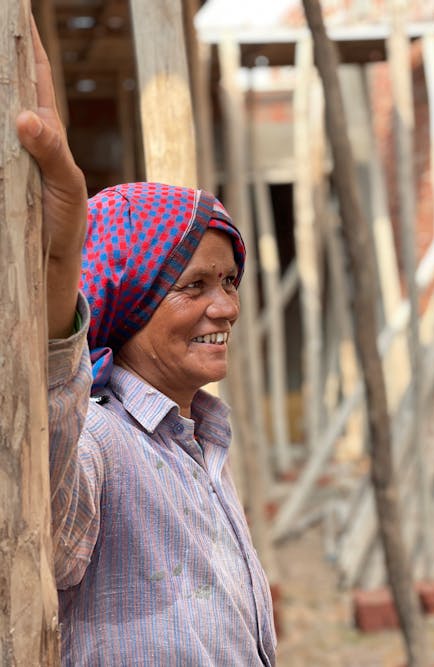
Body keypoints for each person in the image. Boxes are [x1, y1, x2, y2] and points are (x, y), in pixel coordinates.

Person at [16, 19, 276, 666]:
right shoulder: (101, 441)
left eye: (230, 281)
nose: (226, 306)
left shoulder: (202, 441)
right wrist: (60, 258)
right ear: (129, 300)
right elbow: (45, 523)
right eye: (194, 286)